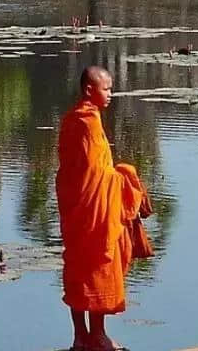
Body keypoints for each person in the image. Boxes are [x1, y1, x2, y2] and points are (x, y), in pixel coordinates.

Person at [56, 66, 152, 351]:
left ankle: (80, 337)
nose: (111, 93)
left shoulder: (72, 120)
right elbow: (98, 174)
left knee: (78, 269)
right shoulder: (87, 123)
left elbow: (71, 172)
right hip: (92, 212)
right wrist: (127, 177)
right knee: (97, 266)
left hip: (77, 208)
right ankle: (96, 336)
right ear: (89, 90)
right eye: (106, 88)